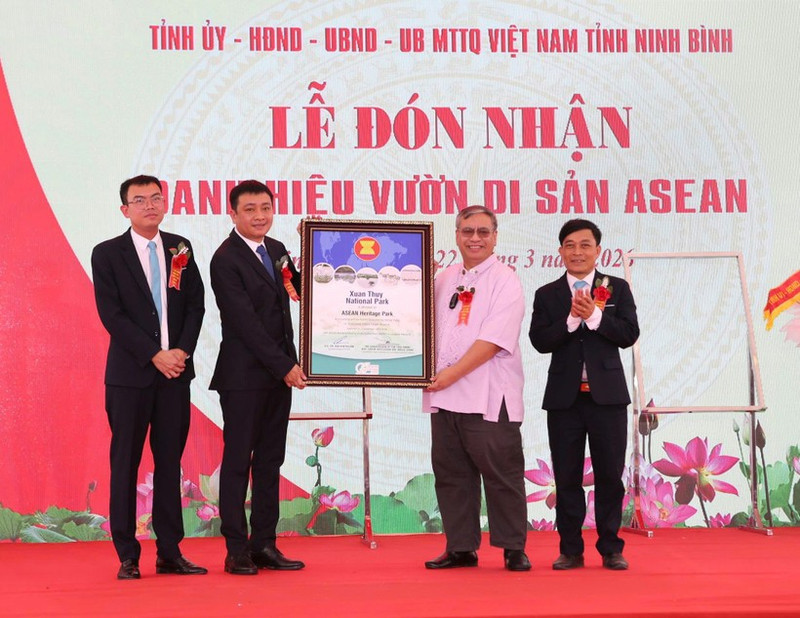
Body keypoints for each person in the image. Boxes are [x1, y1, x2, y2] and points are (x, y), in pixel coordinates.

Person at [91, 175, 206, 580]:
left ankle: (170, 551)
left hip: (175, 374)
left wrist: (181, 352)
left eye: (156, 198)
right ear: (125, 209)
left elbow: (195, 306)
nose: (149, 206)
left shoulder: (180, 248)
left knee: (170, 462)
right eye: (139, 200)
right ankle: (126, 553)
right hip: (130, 376)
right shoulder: (107, 254)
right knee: (125, 462)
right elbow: (113, 316)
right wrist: (154, 354)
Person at [423, 205, 530, 572]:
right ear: (456, 235)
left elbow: (492, 341)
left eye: (483, 232)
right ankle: (461, 547)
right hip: (445, 396)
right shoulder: (442, 278)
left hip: (488, 396)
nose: (475, 238)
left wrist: (450, 374)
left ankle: (513, 547)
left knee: (501, 473)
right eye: (467, 231)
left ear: (495, 237)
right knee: (452, 475)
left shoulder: (506, 280)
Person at [529, 218, 639, 571]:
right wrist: (569, 323)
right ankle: (570, 549)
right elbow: (539, 341)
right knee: (567, 477)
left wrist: (593, 316)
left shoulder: (616, 288)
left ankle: (611, 548)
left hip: (607, 399)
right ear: (560, 251)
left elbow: (628, 334)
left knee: (610, 475)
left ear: (597, 250)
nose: (577, 252)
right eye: (570, 245)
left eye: (585, 245)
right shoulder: (547, 294)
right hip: (565, 401)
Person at [209, 179, 306, 575]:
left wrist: (316, 248)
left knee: (270, 461)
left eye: (265, 207)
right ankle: (236, 549)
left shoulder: (278, 249)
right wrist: (285, 366)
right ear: (233, 214)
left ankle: (264, 543)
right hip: (244, 377)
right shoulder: (225, 259)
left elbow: (300, 292)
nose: (259, 215)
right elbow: (245, 325)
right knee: (238, 461)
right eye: (250, 209)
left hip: (277, 377)